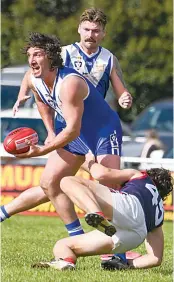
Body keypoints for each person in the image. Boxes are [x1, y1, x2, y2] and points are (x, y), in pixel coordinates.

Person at [1, 8, 132, 221]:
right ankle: (4, 212)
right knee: (50, 184)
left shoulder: (109, 59)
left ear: (103, 34)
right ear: (79, 30)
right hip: (71, 127)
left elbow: (121, 89)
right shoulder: (63, 53)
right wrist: (23, 95)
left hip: (98, 127)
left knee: (106, 181)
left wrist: (125, 97)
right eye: (87, 29)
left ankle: (117, 239)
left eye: (96, 31)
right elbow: (33, 76)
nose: (91, 34)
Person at [31, 157, 173, 271]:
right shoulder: (158, 210)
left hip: (128, 207)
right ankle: (65, 262)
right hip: (135, 236)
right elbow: (155, 259)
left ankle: (95, 212)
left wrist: (81, 158)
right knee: (63, 246)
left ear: (150, 175)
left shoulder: (141, 176)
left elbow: (102, 174)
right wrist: (129, 264)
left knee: (67, 181)